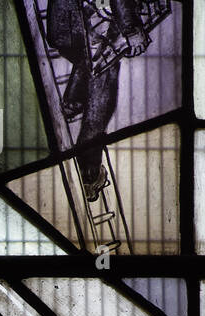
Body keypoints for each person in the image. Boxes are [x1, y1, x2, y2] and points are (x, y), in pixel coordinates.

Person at [44, 0, 170, 201]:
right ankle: (88, 171)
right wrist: (131, 29)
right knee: (105, 87)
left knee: (104, 49)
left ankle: (74, 100)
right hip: (72, 26)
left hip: (69, 22)